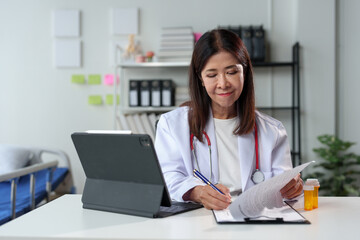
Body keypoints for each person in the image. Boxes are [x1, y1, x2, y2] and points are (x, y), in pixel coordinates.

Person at [154, 29, 303, 210]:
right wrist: (197, 192)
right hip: (197, 221)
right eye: (211, 75)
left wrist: (292, 188)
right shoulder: (172, 125)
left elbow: (284, 187)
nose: (223, 83)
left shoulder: (272, 130)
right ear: (200, 78)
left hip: (255, 222)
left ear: (244, 72)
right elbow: (167, 177)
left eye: (231, 72)